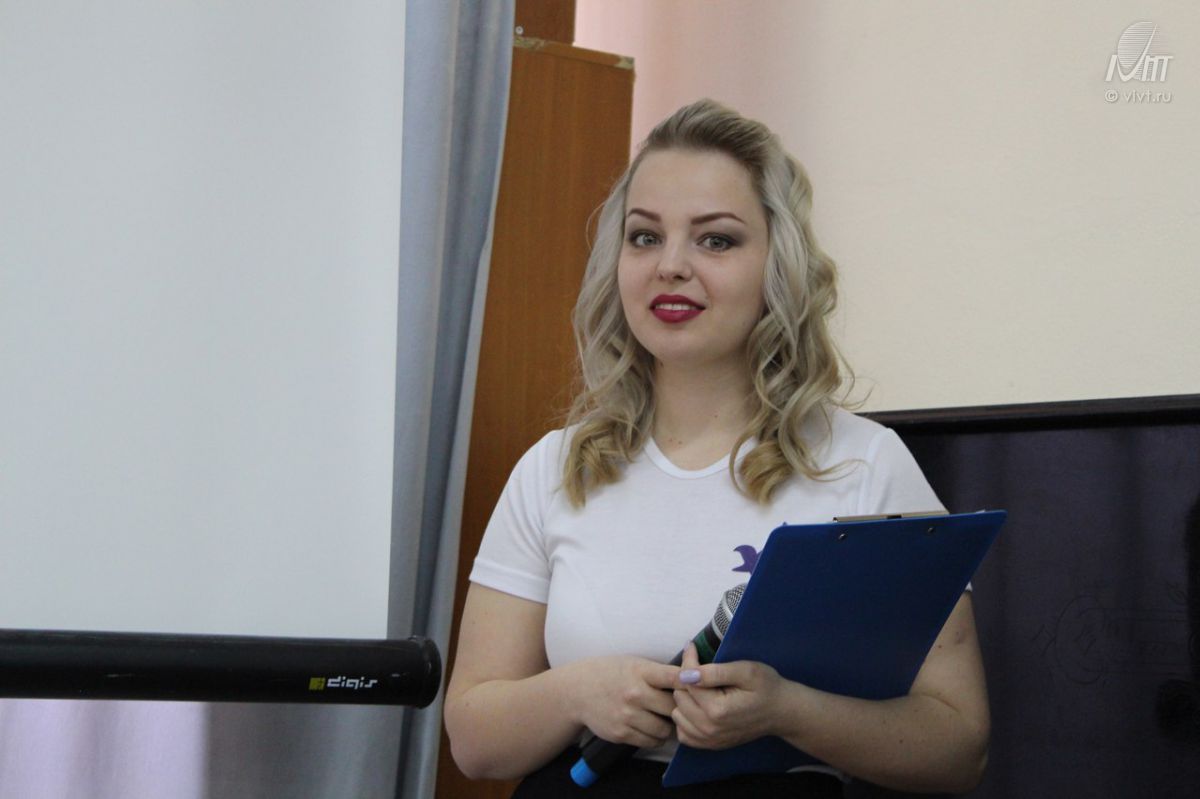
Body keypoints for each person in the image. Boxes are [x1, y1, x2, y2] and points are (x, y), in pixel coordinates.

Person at [443, 99, 989, 797]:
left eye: (716, 240)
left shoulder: (864, 465)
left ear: (778, 265)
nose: (670, 265)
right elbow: (474, 741)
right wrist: (579, 692)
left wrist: (789, 710)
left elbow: (958, 748)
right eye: (645, 237)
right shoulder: (554, 467)